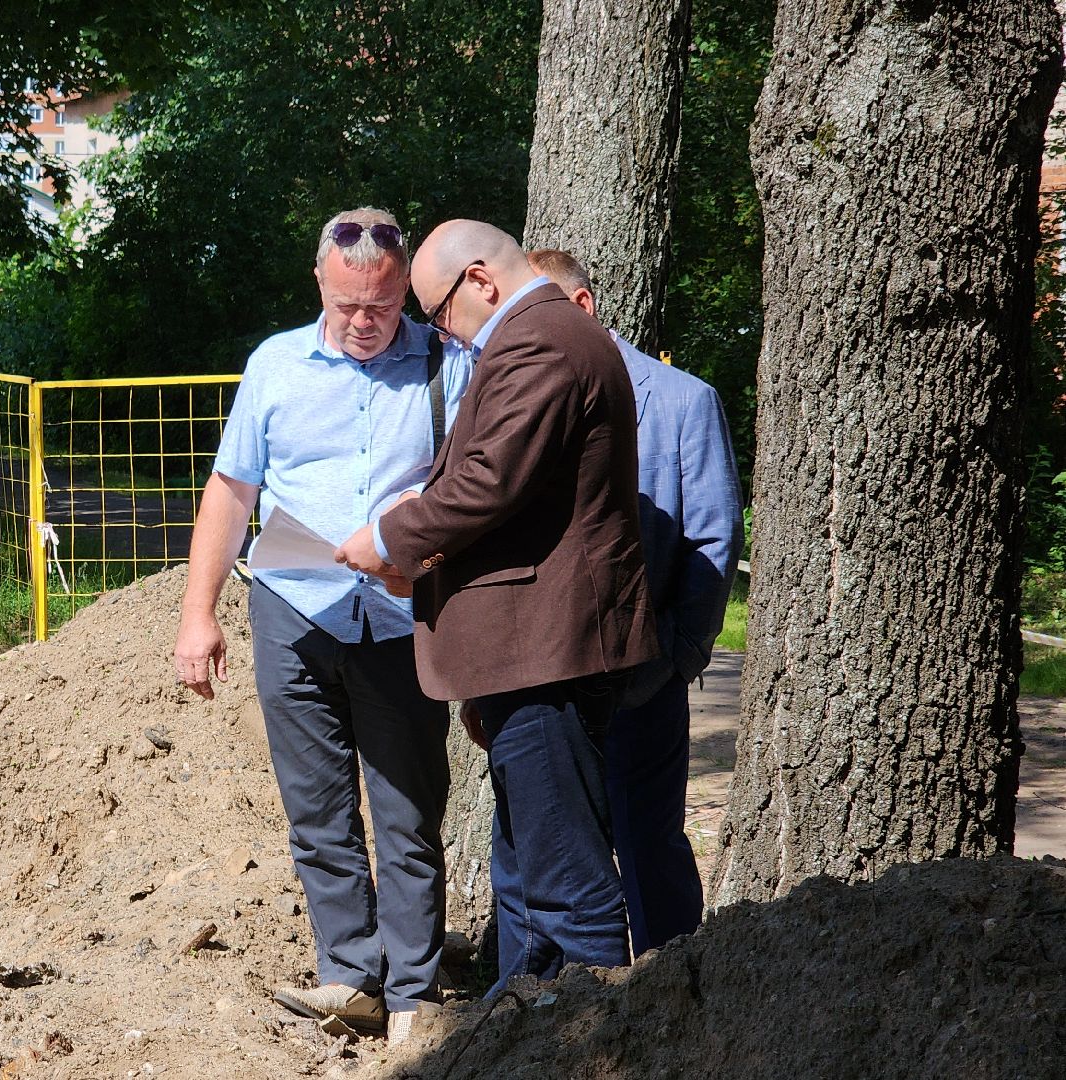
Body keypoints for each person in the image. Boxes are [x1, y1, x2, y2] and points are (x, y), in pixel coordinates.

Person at [173, 207, 474, 1046]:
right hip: (292, 611)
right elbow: (231, 493)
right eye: (347, 307)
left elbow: (476, 482)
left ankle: (414, 997)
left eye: (381, 306)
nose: (364, 323)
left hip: (400, 614)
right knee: (317, 811)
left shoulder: (447, 365)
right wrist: (199, 616)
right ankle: (350, 977)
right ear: (320, 281)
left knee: (409, 809)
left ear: (404, 289)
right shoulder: (275, 365)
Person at [334, 220, 657, 990]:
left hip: (545, 657)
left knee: (569, 890)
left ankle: (591, 1044)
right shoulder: (548, 336)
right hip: (531, 653)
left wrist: (390, 536)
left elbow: (488, 483)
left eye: (440, 313)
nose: (444, 333)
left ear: (479, 280)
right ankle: (529, 1036)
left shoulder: (539, 339)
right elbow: (509, 490)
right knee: (528, 881)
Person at [525, 248, 743, 954]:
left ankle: (669, 995)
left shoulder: (681, 401)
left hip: (643, 681)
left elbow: (712, 540)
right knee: (542, 857)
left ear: (582, 309)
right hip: (542, 688)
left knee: (651, 851)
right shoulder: (512, 399)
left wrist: (676, 657)